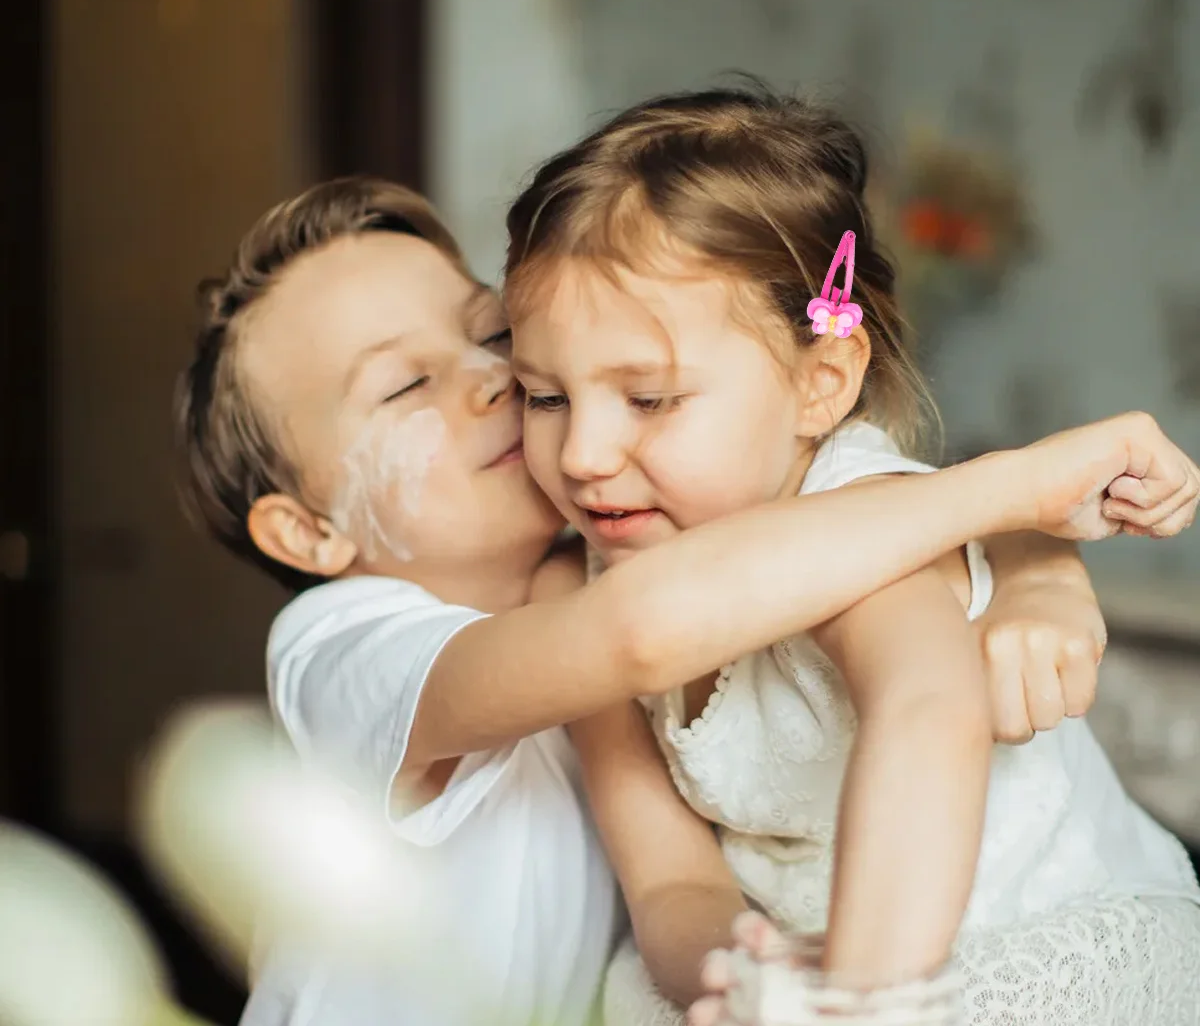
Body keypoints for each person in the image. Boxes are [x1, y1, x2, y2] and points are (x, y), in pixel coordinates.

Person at [175, 176, 1196, 1026]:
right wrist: (1015, 491)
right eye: (404, 387)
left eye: (492, 336)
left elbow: (828, 535)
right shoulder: (340, 651)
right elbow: (643, 632)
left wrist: (1034, 572)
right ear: (310, 533)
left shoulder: (601, 548)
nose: (490, 381)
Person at [500, 85, 1200, 1026]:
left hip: (1012, 940)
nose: (580, 456)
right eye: (544, 397)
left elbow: (929, 708)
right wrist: (741, 972)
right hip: (807, 956)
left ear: (822, 384)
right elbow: (668, 883)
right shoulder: (586, 575)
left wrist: (867, 998)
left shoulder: (863, 527)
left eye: (650, 399)